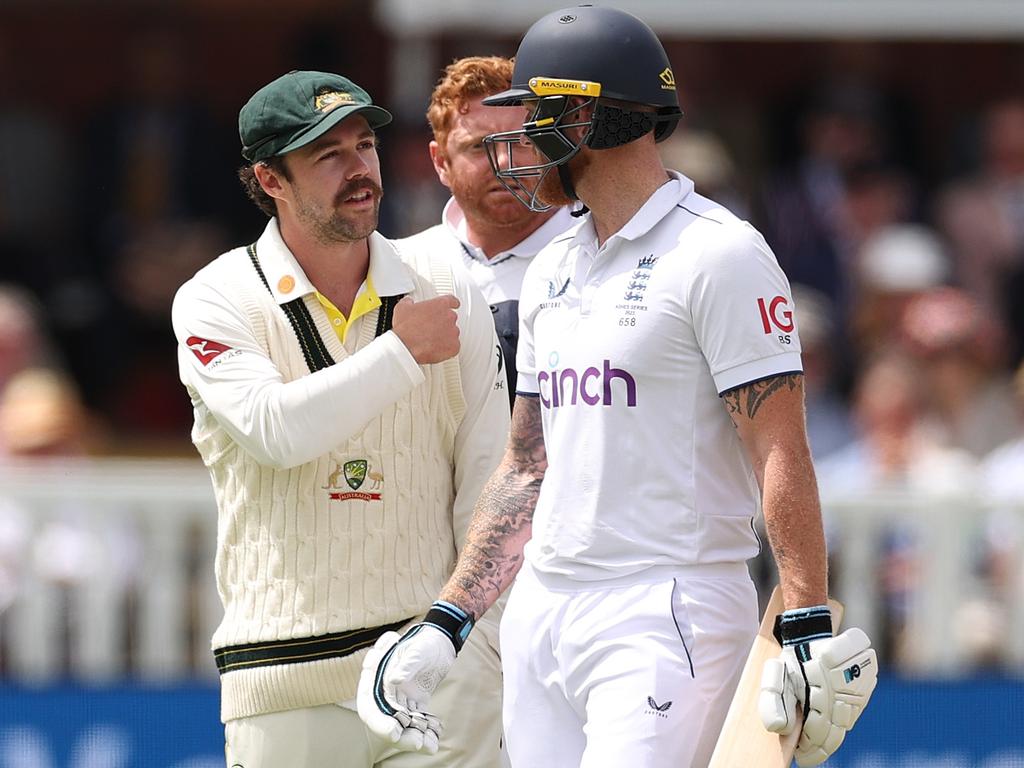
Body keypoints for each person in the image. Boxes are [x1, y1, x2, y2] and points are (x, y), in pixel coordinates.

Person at [357, 8, 878, 768]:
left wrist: (803, 622)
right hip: (544, 606)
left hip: (667, 608)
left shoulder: (719, 253)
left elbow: (779, 447)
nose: (521, 147)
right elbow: (528, 466)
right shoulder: (554, 266)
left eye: (538, 118)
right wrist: (449, 619)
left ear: (585, 116)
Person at [170, 70, 510, 768]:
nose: (360, 171)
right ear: (271, 180)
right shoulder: (215, 299)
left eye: (365, 145)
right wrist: (403, 351)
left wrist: (477, 644)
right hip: (284, 682)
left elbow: (488, 481)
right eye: (328, 155)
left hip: (435, 670)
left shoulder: (449, 288)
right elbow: (277, 433)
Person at [396, 56, 577, 403]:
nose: (505, 162)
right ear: (440, 162)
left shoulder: (600, 253)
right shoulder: (401, 266)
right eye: (479, 146)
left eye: (522, 141)